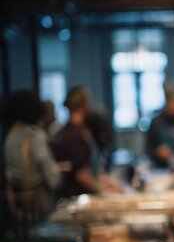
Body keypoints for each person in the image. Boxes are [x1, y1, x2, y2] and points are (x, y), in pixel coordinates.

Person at [52, 86, 121, 198]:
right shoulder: (74, 135)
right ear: (84, 105)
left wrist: (109, 184)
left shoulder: (73, 130)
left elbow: (90, 169)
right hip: (77, 197)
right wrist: (105, 192)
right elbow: (82, 175)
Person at [4, 90, 61, 220]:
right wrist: (57, 178)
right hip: (37, 198)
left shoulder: (9, 137)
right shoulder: (35, 135)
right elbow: (47, 167)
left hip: (17, 199)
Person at [146, 85, 174, 168]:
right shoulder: (156, 122)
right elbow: (148, 149)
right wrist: (158, 152)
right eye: (171, 102)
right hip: (162, 168)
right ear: (166, 102)